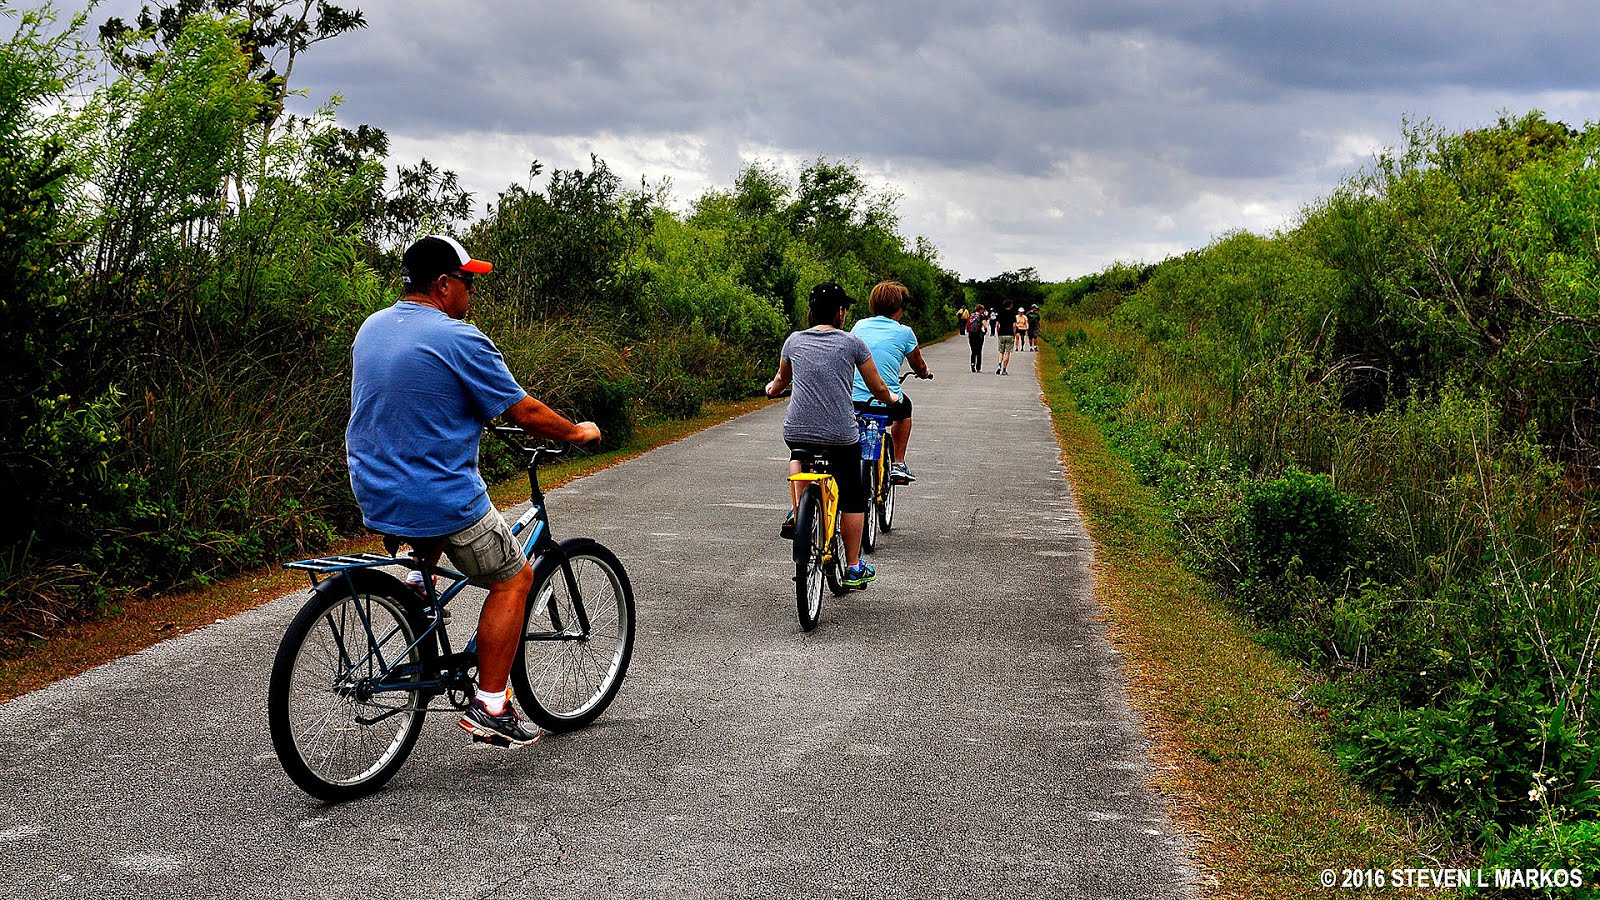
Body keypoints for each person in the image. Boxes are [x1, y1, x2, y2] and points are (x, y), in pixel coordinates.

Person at [346, 234, 601, 749]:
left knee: (434, 513)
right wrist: (577, 431)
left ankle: (418, 587)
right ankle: (492, 705)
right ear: (443, 284)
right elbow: (523, 412)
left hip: (374, 489)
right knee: (514, 578)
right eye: (468, 282)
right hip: (435, 496)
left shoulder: (372, 328)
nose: (472, 292)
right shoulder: (459, 339)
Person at [766, 282, 899, 589]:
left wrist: (770, 391)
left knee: (798, 454)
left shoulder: (794, 341)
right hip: (840, 436)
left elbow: (780, 382)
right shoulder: (852, 343)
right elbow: (877, 387)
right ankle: (853, 566)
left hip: (798, 431)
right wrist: (891, 399)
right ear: (840, 312)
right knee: (853, 495)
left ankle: (797, 508)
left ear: (810, 311)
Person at [850, 281, 932, 484]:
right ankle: (898, 463)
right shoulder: (904, 333)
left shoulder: (859, 325)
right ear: (899, 307)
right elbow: (918, 365)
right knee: (905, 410)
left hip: (854, 398)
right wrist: (924, 373)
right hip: (887, 401)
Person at [996, 303, 1016, 374]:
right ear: (1010, 305)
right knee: (1007, 352)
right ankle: (1004, 369)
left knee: (1001, 351)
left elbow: (997, 325)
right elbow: (1014, 325)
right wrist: (1014, 333)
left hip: (1002, 334)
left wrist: (998, 332)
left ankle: (999, 365)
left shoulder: (1000, 313)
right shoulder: (1012, 314)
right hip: (1010, 334)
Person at [967, 304, 987, 372]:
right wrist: (985, 332)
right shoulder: (981, 316)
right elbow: (985, 325)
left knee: (973, 351)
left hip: (971, 335)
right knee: (979, 351)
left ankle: (972, 365)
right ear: (980, 310)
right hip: (978, 335)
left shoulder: (971, 315)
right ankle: (978, 367)